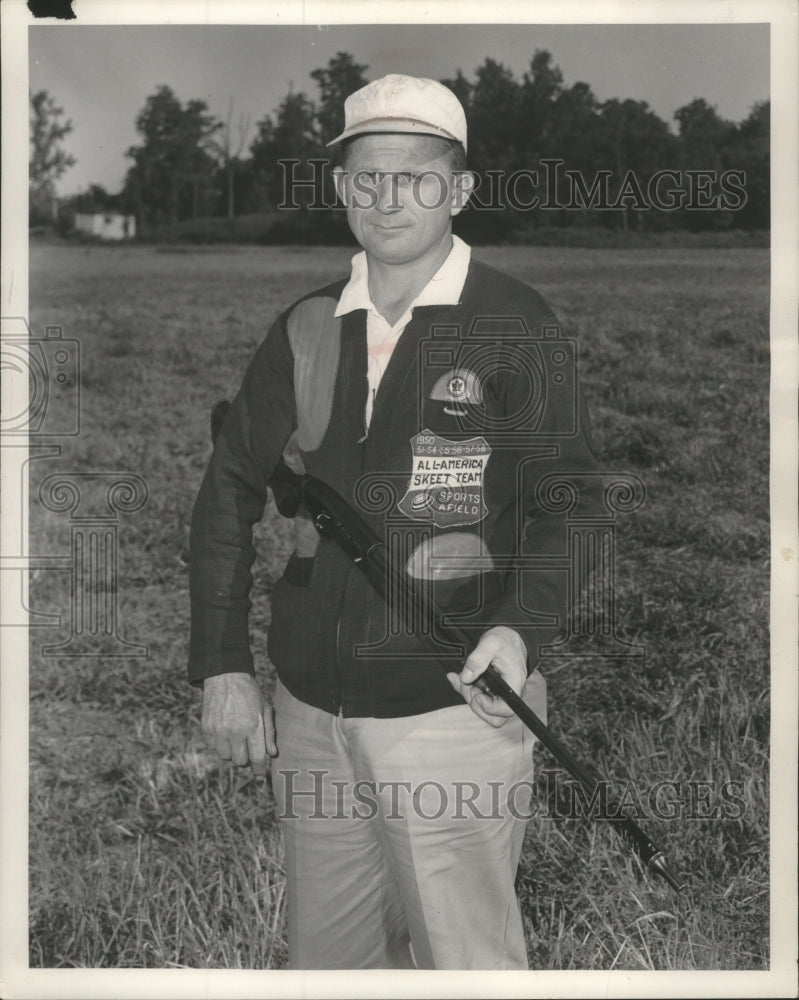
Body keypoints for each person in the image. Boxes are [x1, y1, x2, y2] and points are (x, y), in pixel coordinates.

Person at [189, 74, 600, 970]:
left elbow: (567, 497)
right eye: (367, 176)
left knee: (465, 964)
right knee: (329, 966)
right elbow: (228, 491)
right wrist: (223, 664)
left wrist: (520, 632)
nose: (388, 198)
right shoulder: (303, 325)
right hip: (310, 713)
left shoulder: (512, 322)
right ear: (341, 188)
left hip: (450, 708)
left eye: (415, 176)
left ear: (457, 190)